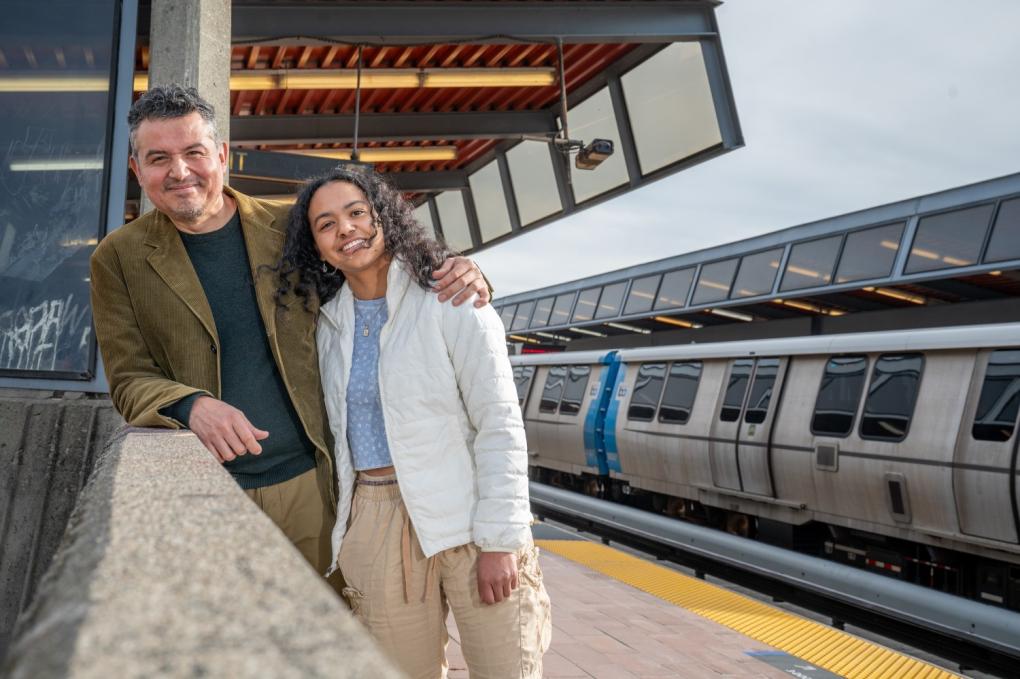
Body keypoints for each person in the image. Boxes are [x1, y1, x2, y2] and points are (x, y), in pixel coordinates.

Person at [89, 85, 490, 581]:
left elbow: (380, 274)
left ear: (220, 155)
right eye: (158, 158)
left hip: (316, 483)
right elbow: (128, 378)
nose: (179, 171)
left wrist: (455, 268)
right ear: (137, 170)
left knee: (333, 633)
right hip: (207, 489)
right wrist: (191, 404)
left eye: (194, 153)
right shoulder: (117, 257)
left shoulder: (292, 228)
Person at [274, 166, 551, 679]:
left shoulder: (451, 299)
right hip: (375, 517)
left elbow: (499, 423)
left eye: (357, 213)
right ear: (315, 244)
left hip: (467, 514)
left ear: (386, 216)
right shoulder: (327, 323)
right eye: (326, 224)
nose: (346, 230)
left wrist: (501, 540)